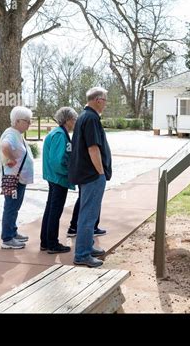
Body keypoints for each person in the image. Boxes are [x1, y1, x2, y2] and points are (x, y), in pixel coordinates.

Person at [68, 87, 112, 268]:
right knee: (88, 214)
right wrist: (100, 172)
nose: (106, 104)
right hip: (92, 174)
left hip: (86, 173)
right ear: (98, 100)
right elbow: (93, 148)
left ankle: (87, 246)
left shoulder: (83, 117)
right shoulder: (91, 118)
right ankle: (82, 254)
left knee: (88, 213)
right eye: (105, 100)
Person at [40, 107, 78, 254]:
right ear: (68, 120)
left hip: (53, 177)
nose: (75, 122)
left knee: (50, 209)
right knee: (55, 211)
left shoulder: (57, 133)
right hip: (58, 178)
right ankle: (52, 243)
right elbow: (57, 161)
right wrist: (69, 173)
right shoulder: (60, 135)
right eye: (74, 119)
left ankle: (46, 241)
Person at [0, 106, 34, 249]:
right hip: (13, 179)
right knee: (11, 207)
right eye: (27, 121)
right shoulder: (11, 134)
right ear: (18, 121)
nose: (29, 124)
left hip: (17, 178)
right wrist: (11, 158)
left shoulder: (15, 133)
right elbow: (5, 146)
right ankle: (7, 238)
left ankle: (12, 232)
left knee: (14, 207)